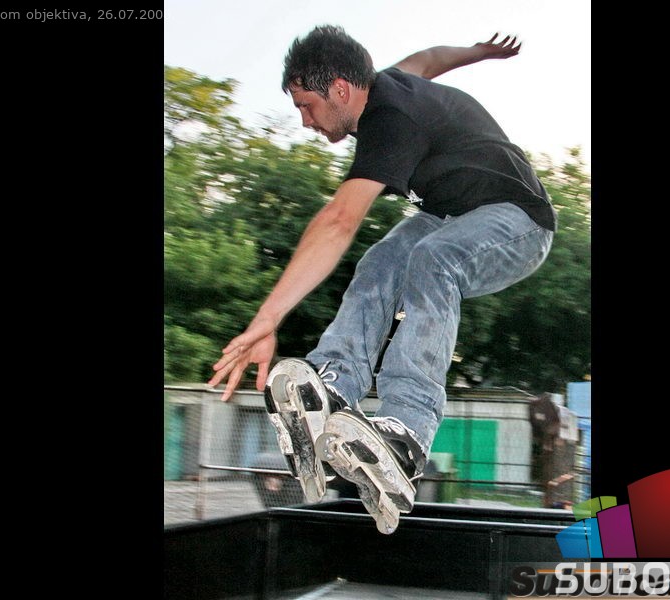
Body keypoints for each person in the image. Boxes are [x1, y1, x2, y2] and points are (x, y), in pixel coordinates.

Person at [208, 25, 556, 534]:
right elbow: (429, 57)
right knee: (382, 261)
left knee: (433, 259)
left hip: (518, 221)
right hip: (449, 214)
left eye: (307, 106)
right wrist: (478, 52)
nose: (305, 121)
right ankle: (332, 386)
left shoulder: (391, 118)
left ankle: (408, 431)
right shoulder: (388, 80)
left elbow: (338, 221)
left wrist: (267, 319)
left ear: (340, 89)